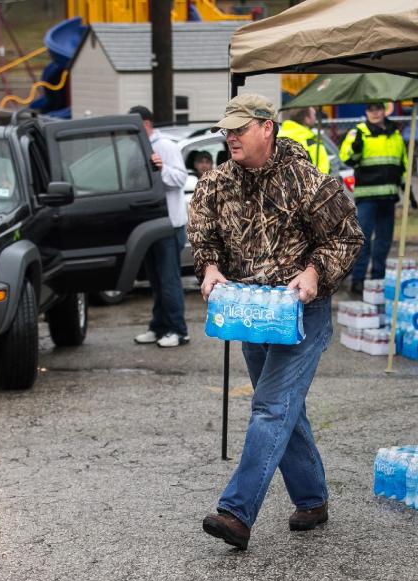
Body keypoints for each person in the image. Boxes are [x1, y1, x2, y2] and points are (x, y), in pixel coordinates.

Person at [189, 94, 363, 550]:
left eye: (239, 128)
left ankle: (237, 513)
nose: (230, 137)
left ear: (267, 127)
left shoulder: (309, 182)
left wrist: (314, 272)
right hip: (249, 315)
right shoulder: (216, 183)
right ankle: (312, 499)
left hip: (301, 314)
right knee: (286, 410)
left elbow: (348, 236)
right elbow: (202, 234)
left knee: (269, 406)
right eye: (226, 129)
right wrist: (208, 268)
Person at [128, 105, 190, 348]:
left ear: (145, 124)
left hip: (169, 225)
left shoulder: (165, 146)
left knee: (169, 279)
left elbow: (180, 178)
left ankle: (178, 330)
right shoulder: (137, 147)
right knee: (155, 279)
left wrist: (161, 168)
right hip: (149, 225)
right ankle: (158, 326)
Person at [339, 102, 411, 294]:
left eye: (378, 109)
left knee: (384, 242)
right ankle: (358, 280)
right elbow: (346, 157)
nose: (375, 113)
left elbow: (401, 161)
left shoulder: (394, 132)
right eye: (371, 109)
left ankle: (378, 280)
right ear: (366, 112)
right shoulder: (358, 132)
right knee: (363, 241)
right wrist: (356, 148)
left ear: (384, 110)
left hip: (388, 196)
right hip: (367, 196)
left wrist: (406, 186)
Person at [277, 106, 331, 174]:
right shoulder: (310, 141)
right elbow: (323, 170)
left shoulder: (278, 136)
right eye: (314, 115)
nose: (315, 118)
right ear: (306, 119)